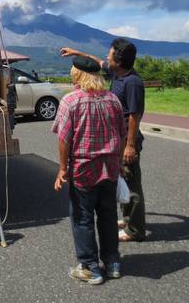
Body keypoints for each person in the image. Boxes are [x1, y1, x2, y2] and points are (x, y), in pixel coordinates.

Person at [60, 39, 145, 242]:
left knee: (132, 185)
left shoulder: (132, 82)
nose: (107, 57)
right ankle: (128, 219)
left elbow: (135, 114)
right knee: (121, 180)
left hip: (127, 142)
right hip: (119, 141)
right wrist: (76, 52)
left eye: (110, 54)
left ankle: (136, 229)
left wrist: (130, 146)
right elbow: (97, 62)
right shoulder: (118, 73)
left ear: (119, 59)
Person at [53, 55, 126, 285]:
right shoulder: (113, 99)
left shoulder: (70, 101)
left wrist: (62, 168)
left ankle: (90, 267)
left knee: (83, 217)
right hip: (110, 167)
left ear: (77, 74)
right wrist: (119, 162)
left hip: (84, 168)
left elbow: (65, 139)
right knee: (108, 214)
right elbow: (122, 133)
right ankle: (112, 263)